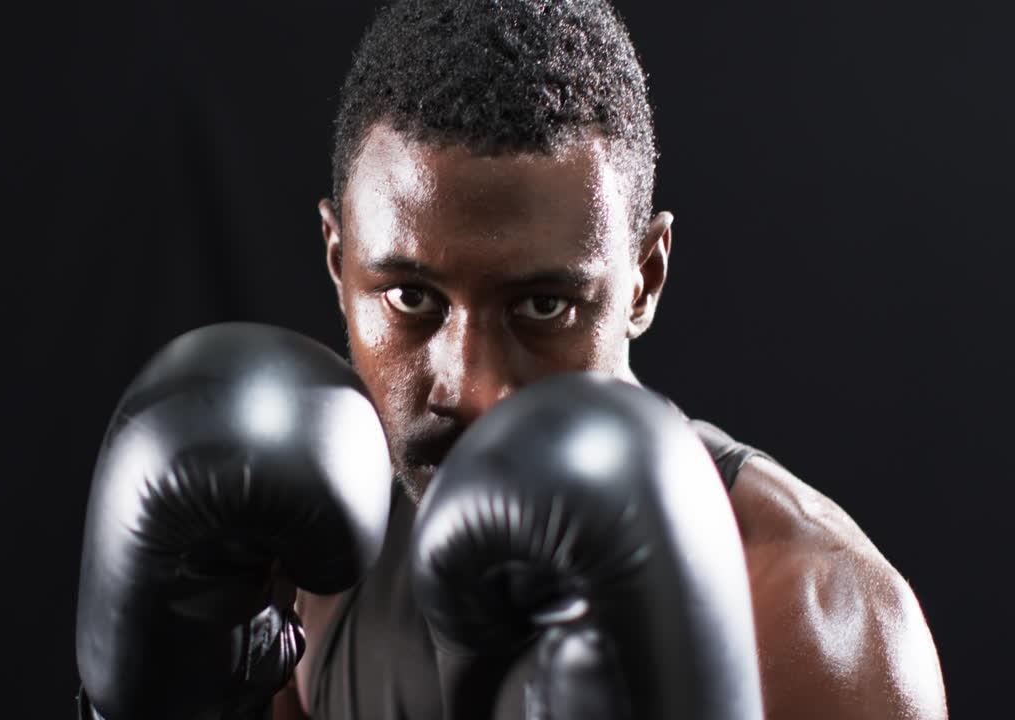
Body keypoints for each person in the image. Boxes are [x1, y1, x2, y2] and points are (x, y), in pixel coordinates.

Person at [273, 1, 949, 718]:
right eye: (411, 298)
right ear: (339, 262)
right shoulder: (309, 572)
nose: (471, 387)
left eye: (543, 307)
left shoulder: (816, 618)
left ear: (644, 280)